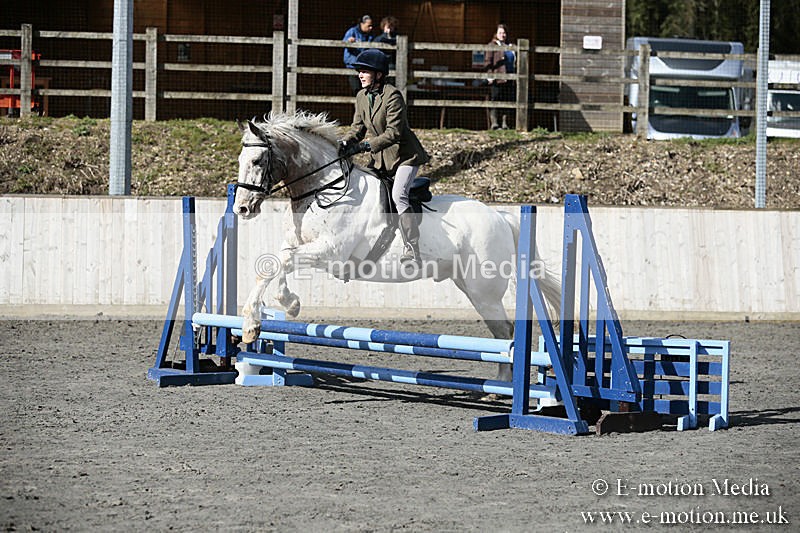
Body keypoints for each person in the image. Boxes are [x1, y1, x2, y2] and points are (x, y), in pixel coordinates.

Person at [338, 49, 430, 266]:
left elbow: (394, 133)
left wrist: (365, 146)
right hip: (380, 159)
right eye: (359, 71)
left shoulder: (393, 96)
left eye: (364, 72)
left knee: (399, 196)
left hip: (405, 156)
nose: (360, 75)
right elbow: (357, 128)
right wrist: (345, 142)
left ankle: (412, 248)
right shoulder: (361, 96)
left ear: (379, 75)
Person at [484, 23, 516, 129]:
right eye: (500, 33)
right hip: (497, 78)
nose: (502, 35)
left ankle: (505, 123)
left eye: (504, 33)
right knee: (495, 99)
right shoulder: (492, 45)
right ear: (496, 34)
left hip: (510, 77)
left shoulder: (511, 46)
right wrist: (490, 75)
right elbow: (488, 61)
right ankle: (494, 123)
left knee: (507, 100)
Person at [342, 15, 374, 94]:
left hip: (364, 66)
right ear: (362, 24)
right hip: (352, 65)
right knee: (356, 89)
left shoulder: (370, 36)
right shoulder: (352, 31)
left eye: (371, 26)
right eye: (368, 25)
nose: (371, 28)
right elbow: (343, 42)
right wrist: (348, 41)